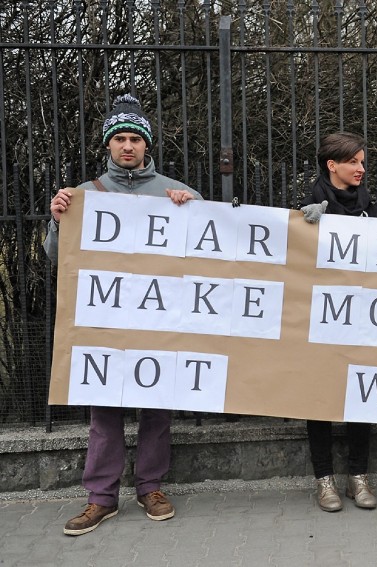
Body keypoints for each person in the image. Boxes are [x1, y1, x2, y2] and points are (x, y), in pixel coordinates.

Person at [45, 94, 202, 535]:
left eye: (135, 138)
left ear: (147, 145)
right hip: (105, 320)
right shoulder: (83, 195)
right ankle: (101, 497)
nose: (128, 146)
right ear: (109, 146)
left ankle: (150, 486)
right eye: (120, 139)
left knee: (156, 407)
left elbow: (208, 254)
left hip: (159, 320)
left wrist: (192, 207)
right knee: (104, 410)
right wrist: (59, 221)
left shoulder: (176, 192)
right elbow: (58, 258)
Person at [299, 131, 377, 511]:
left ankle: (358, 478)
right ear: (332, 165)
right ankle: (324, 481)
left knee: (361, 397)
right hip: (322, 318)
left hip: (361, 315)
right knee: (319, 399)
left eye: (362, 162)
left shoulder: (367, 201)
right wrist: (308, 226)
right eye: (354, 162)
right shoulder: (310, 204)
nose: (361, 169)